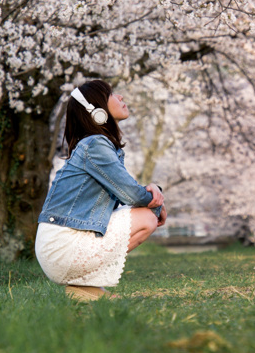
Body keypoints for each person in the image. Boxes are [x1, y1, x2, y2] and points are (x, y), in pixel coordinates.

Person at [35, 79, 167, 301]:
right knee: (147, 217)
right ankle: (85, 287)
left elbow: (127, 193)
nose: (121, 98)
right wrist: (155, 198)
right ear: (95, 111)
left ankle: (86, 291)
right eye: (113, 95)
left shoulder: (94, 145)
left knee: (148, 213)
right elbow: (133, 195)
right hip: (62, 247)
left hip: (59, 246)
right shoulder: (95, 145)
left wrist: (152, 195)